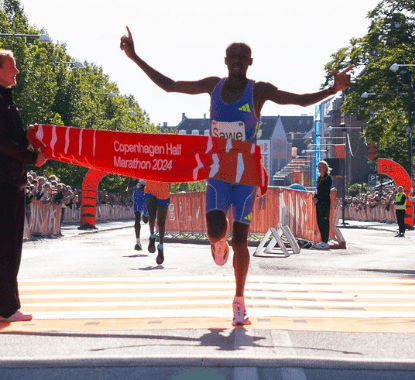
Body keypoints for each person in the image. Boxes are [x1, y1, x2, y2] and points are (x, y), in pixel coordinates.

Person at [121, 26, 353, 325]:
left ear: (250, 62)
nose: (237, 61)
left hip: (246, 172)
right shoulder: (212, 85)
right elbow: (170, 85)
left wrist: (332, 90)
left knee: (242, 239)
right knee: (217, 230)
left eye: (242, 57)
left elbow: (300, 100)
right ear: (225, 59)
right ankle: (218, 243)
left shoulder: (259, 90)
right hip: (217, 169)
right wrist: (135, 56)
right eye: (232, 56)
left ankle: (239, 301)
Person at [0, 50, 47, 323]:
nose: (16, 72)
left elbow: (11, 138)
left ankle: (7, 306)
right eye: (12, 67)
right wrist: (31, 157)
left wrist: (30, 136)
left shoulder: (4, 100)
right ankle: (2, 308)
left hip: (11, 178)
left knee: (12, 244)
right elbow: (1, 143)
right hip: (1, 179)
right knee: (4, 244)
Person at [144, 179, 170, 265]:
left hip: (163, 189)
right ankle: (152, 236)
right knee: (152, 215)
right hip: (150, 187)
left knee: (161, 223)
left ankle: (161, 247)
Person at [313, 160, 332, 249]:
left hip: (324, 202)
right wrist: (315, 197)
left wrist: (318, 198)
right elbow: (318, 190)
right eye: (318, 167)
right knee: (319, 221)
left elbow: (325, 192)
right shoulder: (319, 178)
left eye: (321, 167)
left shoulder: (328, 178)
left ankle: (325, 241)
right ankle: (322, 240)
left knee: (324, 221)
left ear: (325, 168)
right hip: (319, 202)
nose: (319, 169)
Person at [128, 178, 149, 251]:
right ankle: (138, 242)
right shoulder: (134, 169)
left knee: (146, 220)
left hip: (148, 193)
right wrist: (128, 189)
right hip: (137, 194)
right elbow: (130, 184)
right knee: (137, 218)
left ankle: (146, 215)